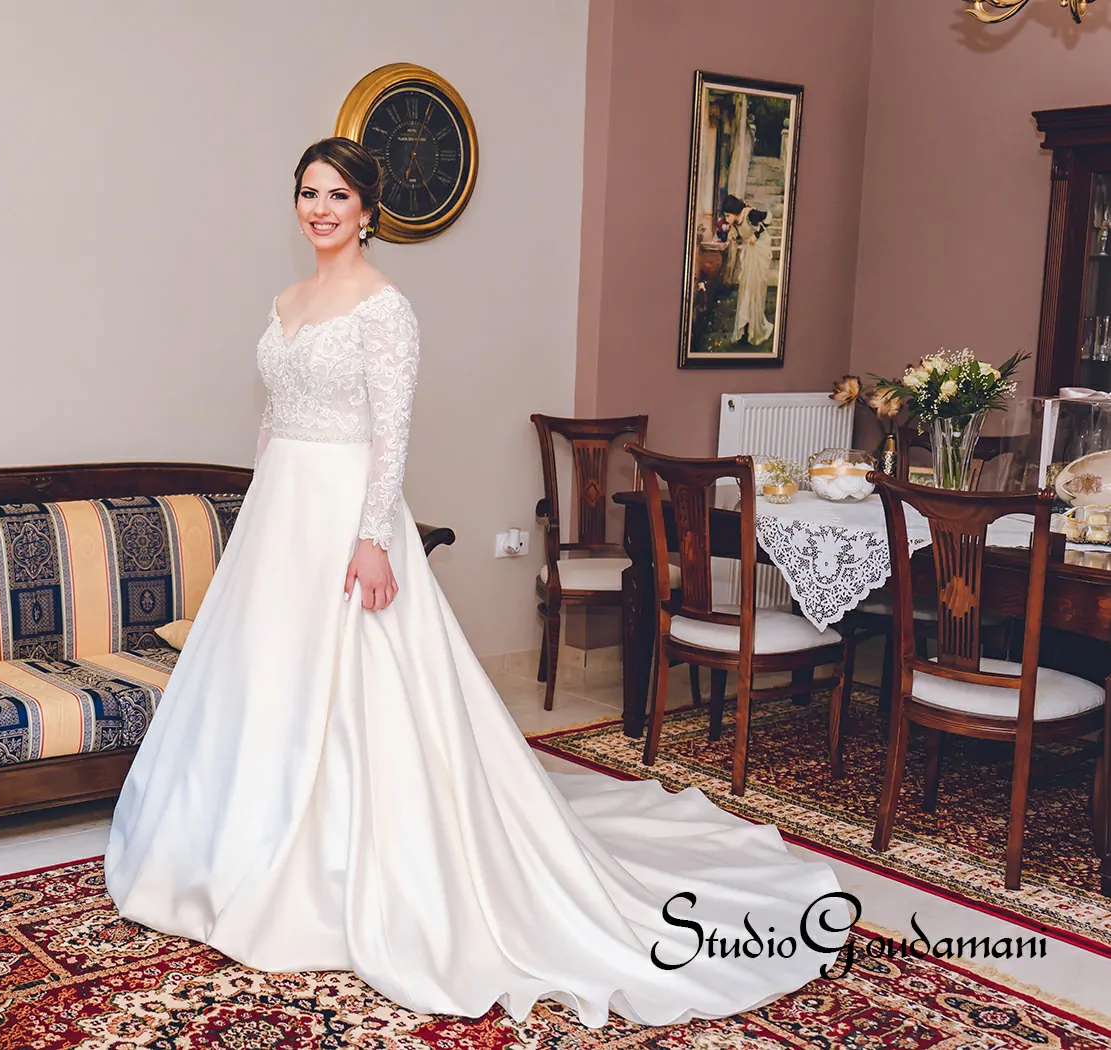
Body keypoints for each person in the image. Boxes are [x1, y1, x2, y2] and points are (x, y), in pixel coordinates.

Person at [103, 137, 847, 1027]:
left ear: (367, 210)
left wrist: (373, 538)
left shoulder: (385, 307)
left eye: (336, 195)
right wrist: (257, 515)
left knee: (360, 689)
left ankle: (347, 863)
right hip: (280, 515)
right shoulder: (285, 302)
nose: (320, 209)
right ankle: (243, 850)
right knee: (264, 683)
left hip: (347, 513)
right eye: (307, 193)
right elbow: (272, 421)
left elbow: (392, 432)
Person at [721, 193, 776, 347]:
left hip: (758, 251)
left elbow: (768, 217)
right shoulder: (735, 223)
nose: (726, 219)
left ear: (735, 212)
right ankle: (745, 327)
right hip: (749, 253)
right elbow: (742, 234)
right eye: (725, 216)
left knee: (754, 288)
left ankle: (754, 326)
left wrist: (756, 236)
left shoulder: (750, 214)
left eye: (728, 215)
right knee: (745, 288)